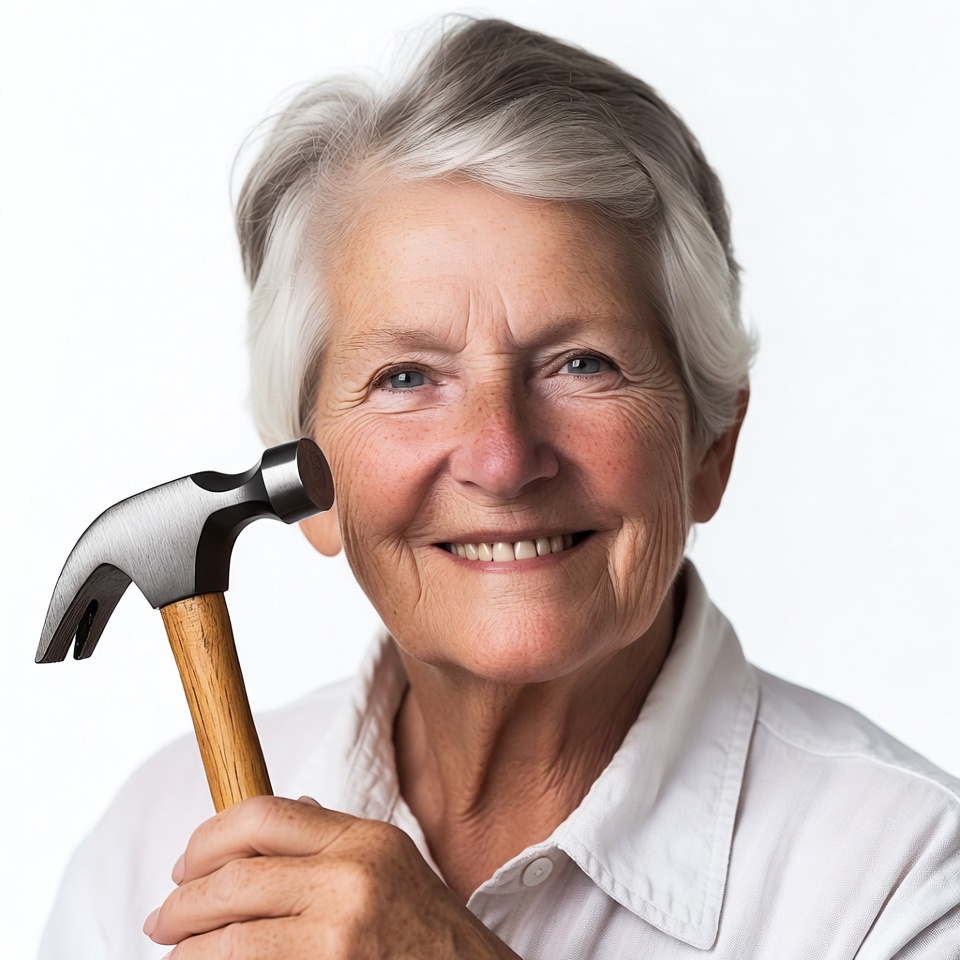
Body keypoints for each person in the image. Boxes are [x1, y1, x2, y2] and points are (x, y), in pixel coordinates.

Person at [40, 17, 960, 959]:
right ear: (308, 482)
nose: (502, 456)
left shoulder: (904, 881)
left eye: (581, 364)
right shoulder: (150, 847)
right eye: (406, 377)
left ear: (710, 446)